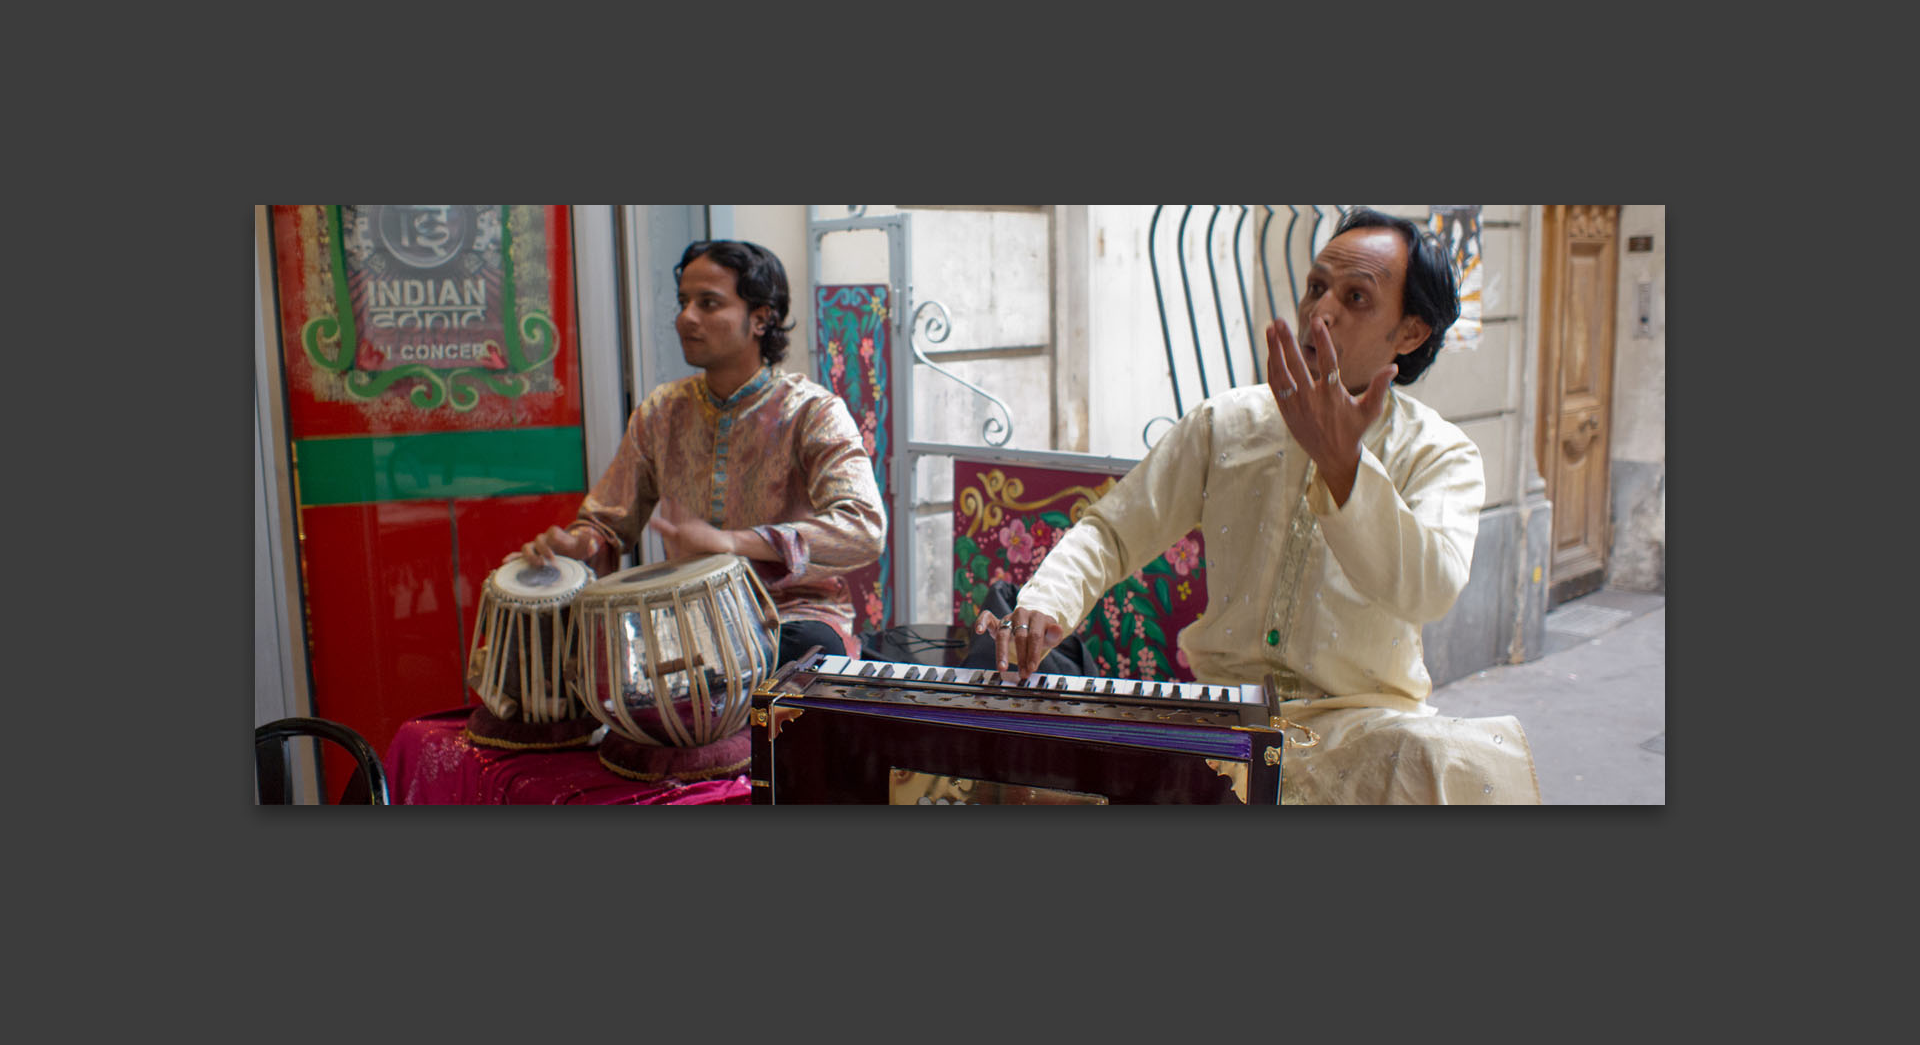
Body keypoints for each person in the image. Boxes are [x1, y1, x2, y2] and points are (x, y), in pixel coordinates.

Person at [974, 207, 1539, 804]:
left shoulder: (1441, 453)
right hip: (1223, 719)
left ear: (1410, 333)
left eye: (1355, 298)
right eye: (1317, 288)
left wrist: (1345, 469)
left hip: (1363, 729)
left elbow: (1433, 588)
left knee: (1446, 758)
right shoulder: (1227, 424)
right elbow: (1114, 533)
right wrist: (1043, 603)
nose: (1321, 312)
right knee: (1034, 770)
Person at [511, 239, 885, 666]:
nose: (686, 318)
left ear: (760, 319)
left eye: (709, 303)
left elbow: (864, 529)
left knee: (804, 653)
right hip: (683, 619)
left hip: (789, 615)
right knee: (563, 641)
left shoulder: (812, 412)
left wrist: (733, 542)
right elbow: (609, 524)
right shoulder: (660, 413)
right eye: (684, 302)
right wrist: (579, 545)